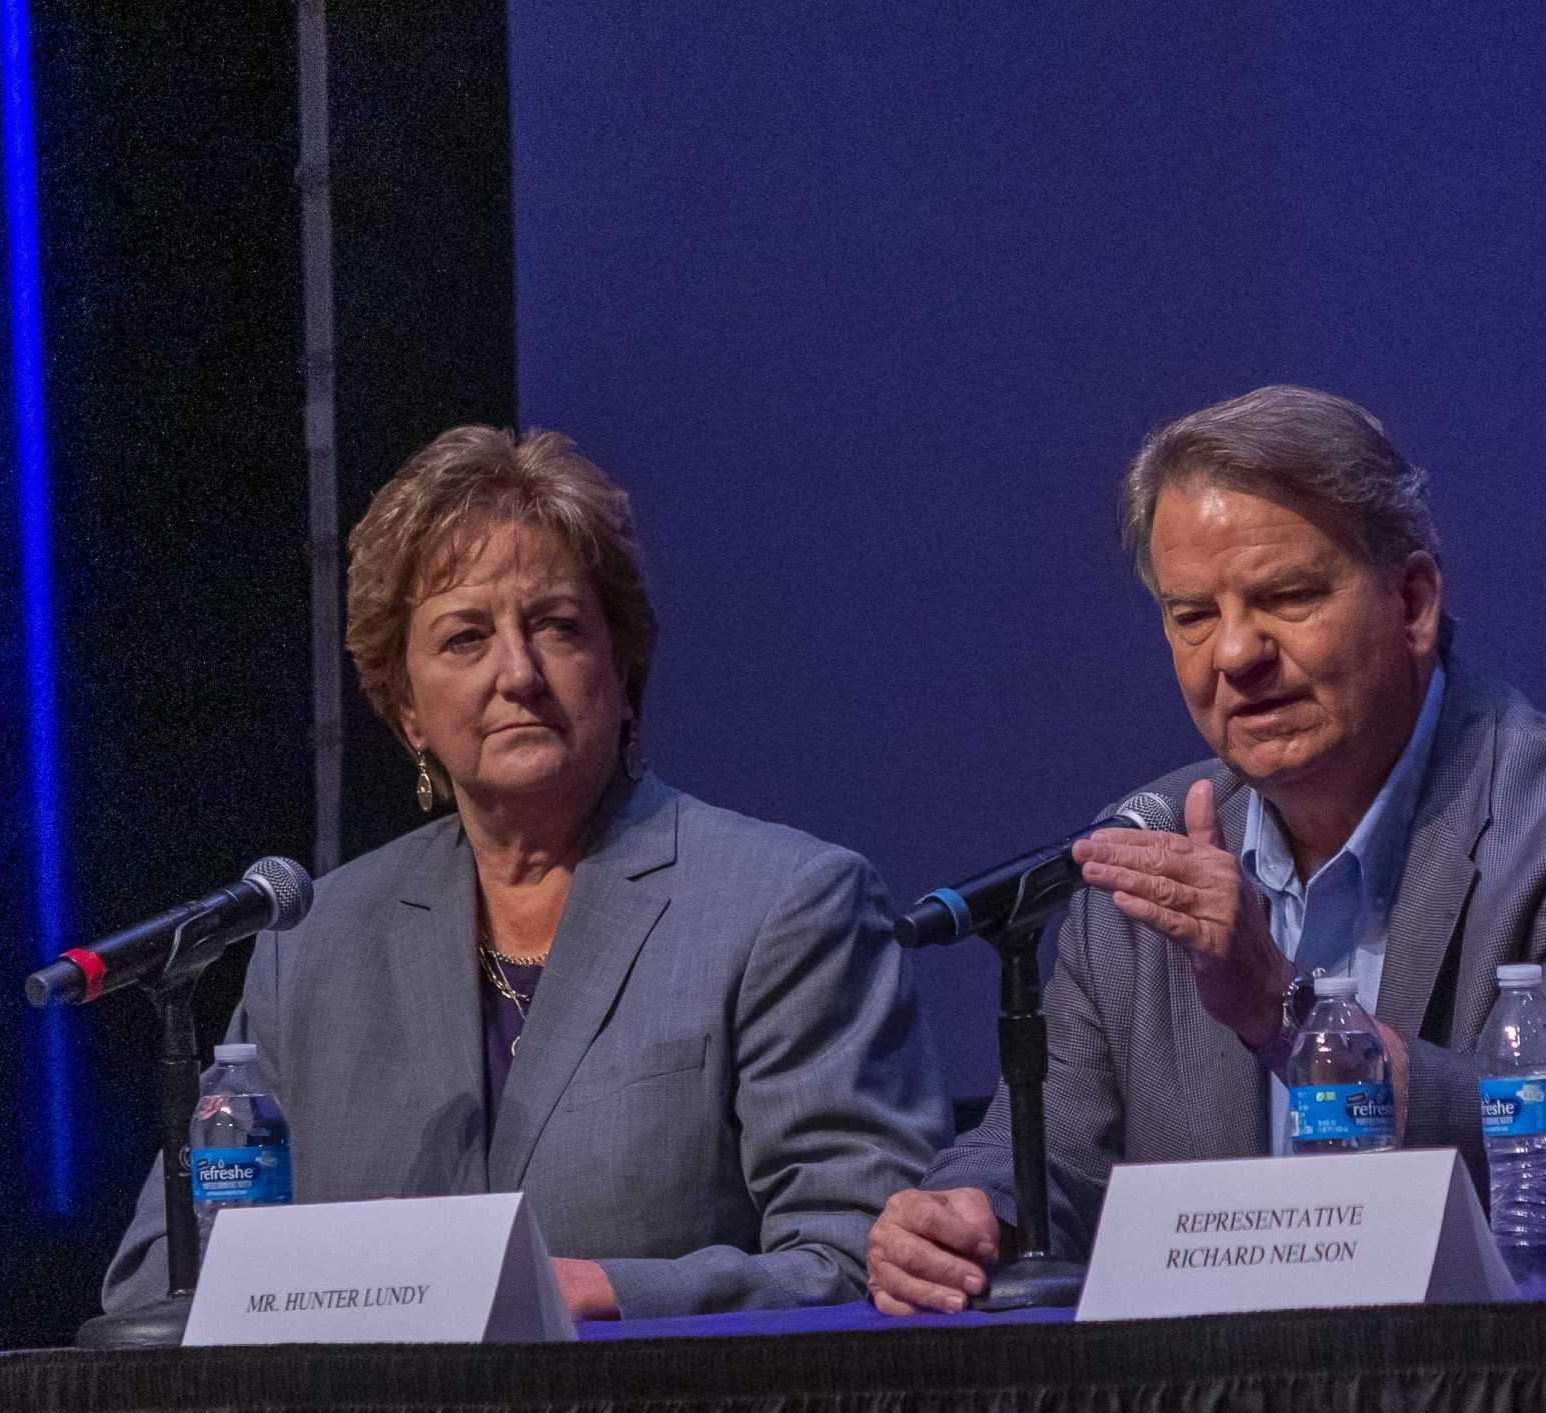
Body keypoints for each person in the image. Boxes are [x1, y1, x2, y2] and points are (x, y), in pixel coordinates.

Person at [869, 385, 1546, 1312]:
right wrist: (965, 1217)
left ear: (1412, 602)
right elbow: (1048, 1162)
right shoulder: (1147, 850)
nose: (1234, 654)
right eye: (1192, 615)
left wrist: (1288, 1017)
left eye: (1284, 596)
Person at [103, 427, 945, 1319]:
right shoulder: (309, 948)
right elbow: (162, 1276)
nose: (518, 673)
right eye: (465, 638)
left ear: (624, 672)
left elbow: (860, 1254)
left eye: (555, 625)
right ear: (407, 710)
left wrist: (614, 1291)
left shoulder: (785, 904)